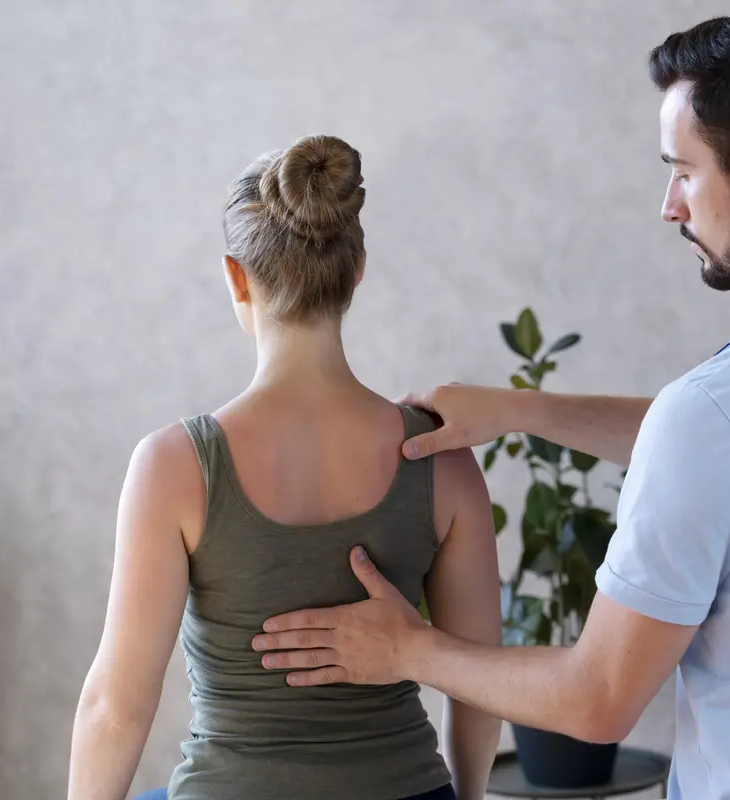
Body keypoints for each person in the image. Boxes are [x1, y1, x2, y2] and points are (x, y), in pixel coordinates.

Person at [251, 4, 730, 799]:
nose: (670, 205)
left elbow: (597, 699)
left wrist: (406, 649)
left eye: (682, 170)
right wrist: (524, 411)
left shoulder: (721, 417)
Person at [67, 134, 503, 800]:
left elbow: (117, 707)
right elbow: (481, 683)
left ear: (235, 276)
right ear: (357, 269)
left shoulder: (173, 467)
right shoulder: (442, 461)